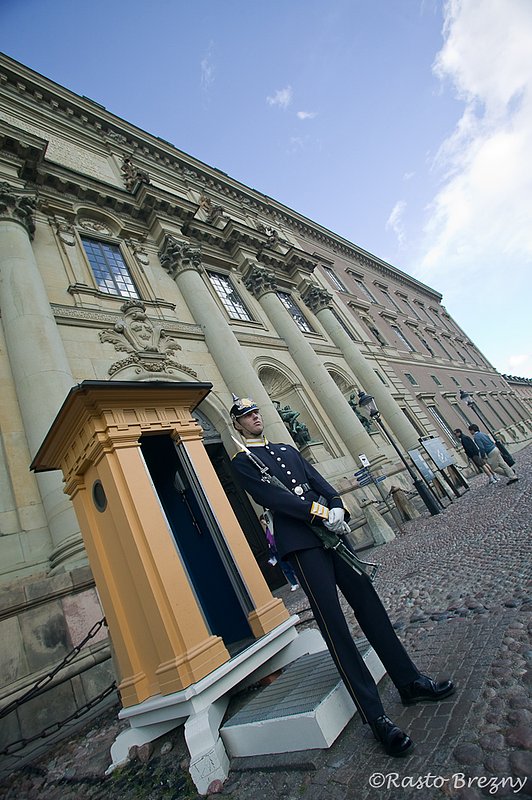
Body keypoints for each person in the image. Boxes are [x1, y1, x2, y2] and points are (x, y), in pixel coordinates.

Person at [229, 395, 454, 757]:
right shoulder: (243, 461)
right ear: (237, 424)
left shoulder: (286, 448)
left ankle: (409, 681)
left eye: (256, 412)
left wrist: (336, 506)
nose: (254, 417)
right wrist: (318, 511)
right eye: (247, 415)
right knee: (335, 628)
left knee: (372, 609)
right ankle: (376, 717)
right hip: (303, 544)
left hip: (333, 536)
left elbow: (321, 482)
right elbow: (274, 498)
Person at [259, 511, 300, 592]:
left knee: (292, 565)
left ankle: (301, 579)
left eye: (263, 521)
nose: (263, 523)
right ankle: (294, 583)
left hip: (282, 548)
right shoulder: (267, 530)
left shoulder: (274, 527)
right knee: (285, 568)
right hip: (276, 551)